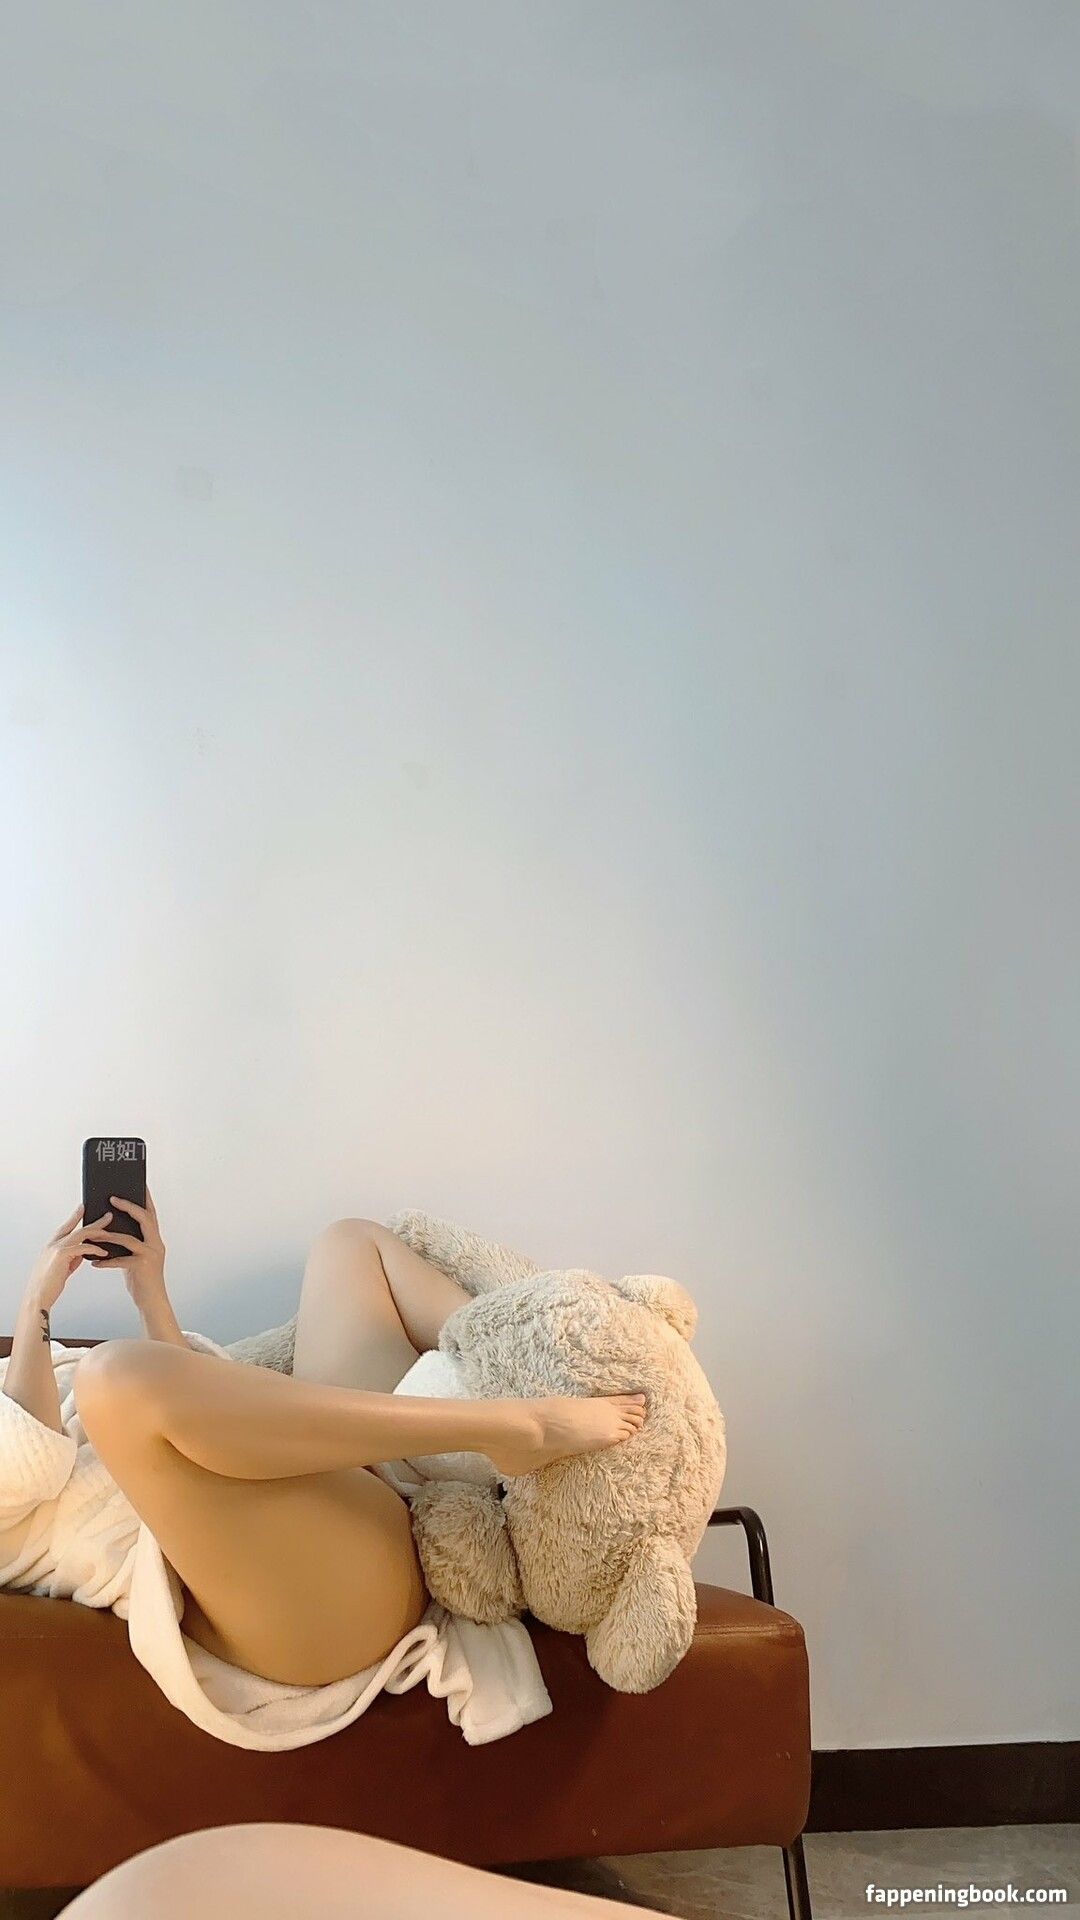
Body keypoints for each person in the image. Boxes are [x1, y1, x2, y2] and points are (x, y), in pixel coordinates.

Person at [1, 1195, 646, 1690]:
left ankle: (531, 1364)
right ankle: (505, 1426)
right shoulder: (55, 1374)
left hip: (333, 1496)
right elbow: (31, 1467)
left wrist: (149, 1294)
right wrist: (36, 1302)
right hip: (291, 1601)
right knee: (112, 1375)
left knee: (350, 1246)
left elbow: (200, 1411)